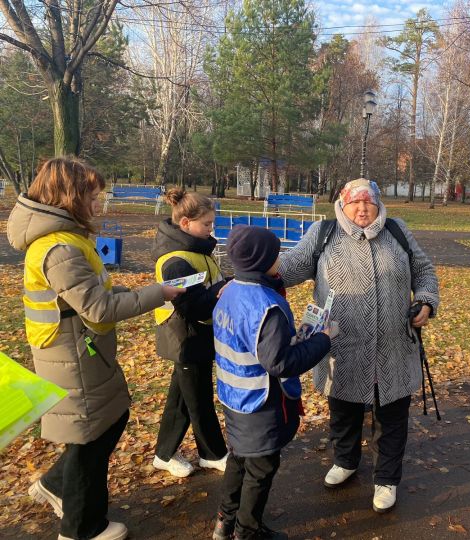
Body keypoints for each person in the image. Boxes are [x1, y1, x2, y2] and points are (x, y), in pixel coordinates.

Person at [7, 157, 184, 540]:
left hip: (80, 350)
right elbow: (98, 307)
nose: (96, 203)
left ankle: (55, 485)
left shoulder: (66, 240)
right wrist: (159, 293)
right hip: (73, 356)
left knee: (102, 424)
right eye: (91, 195)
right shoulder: (59, 248)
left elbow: (86, 296)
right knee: (91, 436)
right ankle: (81, 529)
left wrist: (125, 292)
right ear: (70, 196)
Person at [278, 178, 440, 513]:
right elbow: (287, 269)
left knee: (392, 416)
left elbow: (423, 271)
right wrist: (246, 270)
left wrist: (425, 301)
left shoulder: (397, 231)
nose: (362, 209)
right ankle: (345, 460)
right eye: (355, 203)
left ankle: (386, 479)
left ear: (379, 203)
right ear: (342, 203)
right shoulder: (323, 235)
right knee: (343, 411)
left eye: (369, 202)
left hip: (393, 345)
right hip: (341, 345)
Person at [211, 225, 336, 540]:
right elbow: (280, 362)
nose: (280, 257)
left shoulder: (229, 291)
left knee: (239, 458)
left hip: (234, 394)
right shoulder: (266, 305)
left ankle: (225, 521)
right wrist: (322, 340)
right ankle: (247, 530)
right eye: (275, 252)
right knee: (260, 468)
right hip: (260, 402)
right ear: (262, 259)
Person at [151, 189, 228, 477]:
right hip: (185, 337)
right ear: (185, 224)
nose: (211, 230)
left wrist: (227, 284)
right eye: (206, 224)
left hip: (198, 336)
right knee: (198, 398)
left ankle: (164, 453)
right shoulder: (176, 260)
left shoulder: (196, 252)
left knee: (181, 398)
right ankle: (213, 454)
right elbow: (191, 305)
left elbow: (208, 287)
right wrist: (222, 291)